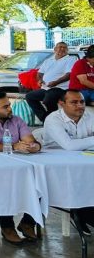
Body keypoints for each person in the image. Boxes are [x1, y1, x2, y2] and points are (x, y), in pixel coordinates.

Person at [0, 88, 41, 244]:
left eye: (9, 105)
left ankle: (27, 222)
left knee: (40, 180)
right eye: (5, 107)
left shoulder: (16, 120)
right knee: (3, 185)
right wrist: (15, 146)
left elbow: (31, 140)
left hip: (17, 166)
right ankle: (7, 227)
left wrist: (34, 147)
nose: (10, 109)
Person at [44, 89, 94, 233]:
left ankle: (82, 213)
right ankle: (80, 213)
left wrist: (84, 143)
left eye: (82, 102)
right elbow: (69, 146)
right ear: (62, 104)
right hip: (56, 165)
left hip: (81, 161)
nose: (80, 106)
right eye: (74, 102)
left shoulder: (89, 116)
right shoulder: (53, 119)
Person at [25, 42, 76, 121]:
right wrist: (40, 80)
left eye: (64, 47)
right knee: (29, 96)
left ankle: (52, 120)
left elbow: (69, 75)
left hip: (60, 88)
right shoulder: (48, 60)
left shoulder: (70, 59)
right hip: (46, 88)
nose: (62, 49)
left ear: (67, 50)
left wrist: (55, 82)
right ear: (55, 49)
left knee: (48, 99)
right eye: (60, 47)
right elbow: (40, 73)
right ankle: (45, 119)